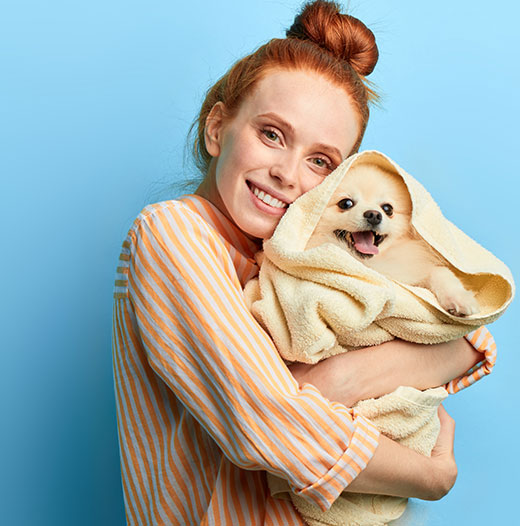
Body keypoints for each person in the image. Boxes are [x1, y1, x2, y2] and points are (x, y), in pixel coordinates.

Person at [111, 2, 498, 524]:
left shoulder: (304, 259)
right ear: (217, 127)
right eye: (272, 134)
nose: (288, 174)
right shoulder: (173, 233)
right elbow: (266, 424)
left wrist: (333, 380)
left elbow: (466, 339)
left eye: (321, 161)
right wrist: (430, 477)